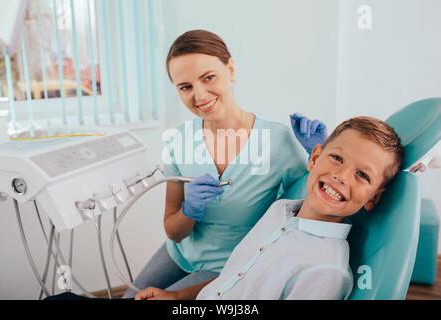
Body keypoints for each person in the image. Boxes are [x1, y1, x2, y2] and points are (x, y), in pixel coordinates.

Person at [122, 30, 328, 298]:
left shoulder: (276, 142)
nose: (199, 95)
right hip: (180, 253)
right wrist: (189, 210)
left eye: (208, 77)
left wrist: (319, 155)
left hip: (231, 265)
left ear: (230, 69)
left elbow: (312, 205)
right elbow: (173, 232)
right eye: (186, 87)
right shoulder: (180, 142)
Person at [134, 116, 404, 300]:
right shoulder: (280, 210)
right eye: (336, 158)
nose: (342, 176)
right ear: (314, 157)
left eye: (362, 175)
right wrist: (176, 297)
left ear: (373, 198)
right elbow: (236, 278)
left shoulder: (325, 273)